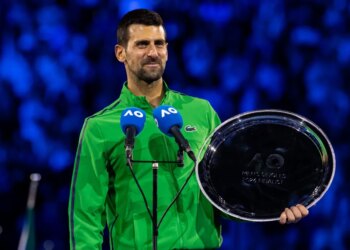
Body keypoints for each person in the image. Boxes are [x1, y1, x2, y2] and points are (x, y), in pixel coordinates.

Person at [68, 9, 309, 249]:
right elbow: (86, 217)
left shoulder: (201, 112)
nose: (153, 53)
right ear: (121, 53)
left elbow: (227, 194)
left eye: (159, 44)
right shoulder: (99, 127)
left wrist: (276, 207)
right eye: (142, 45)